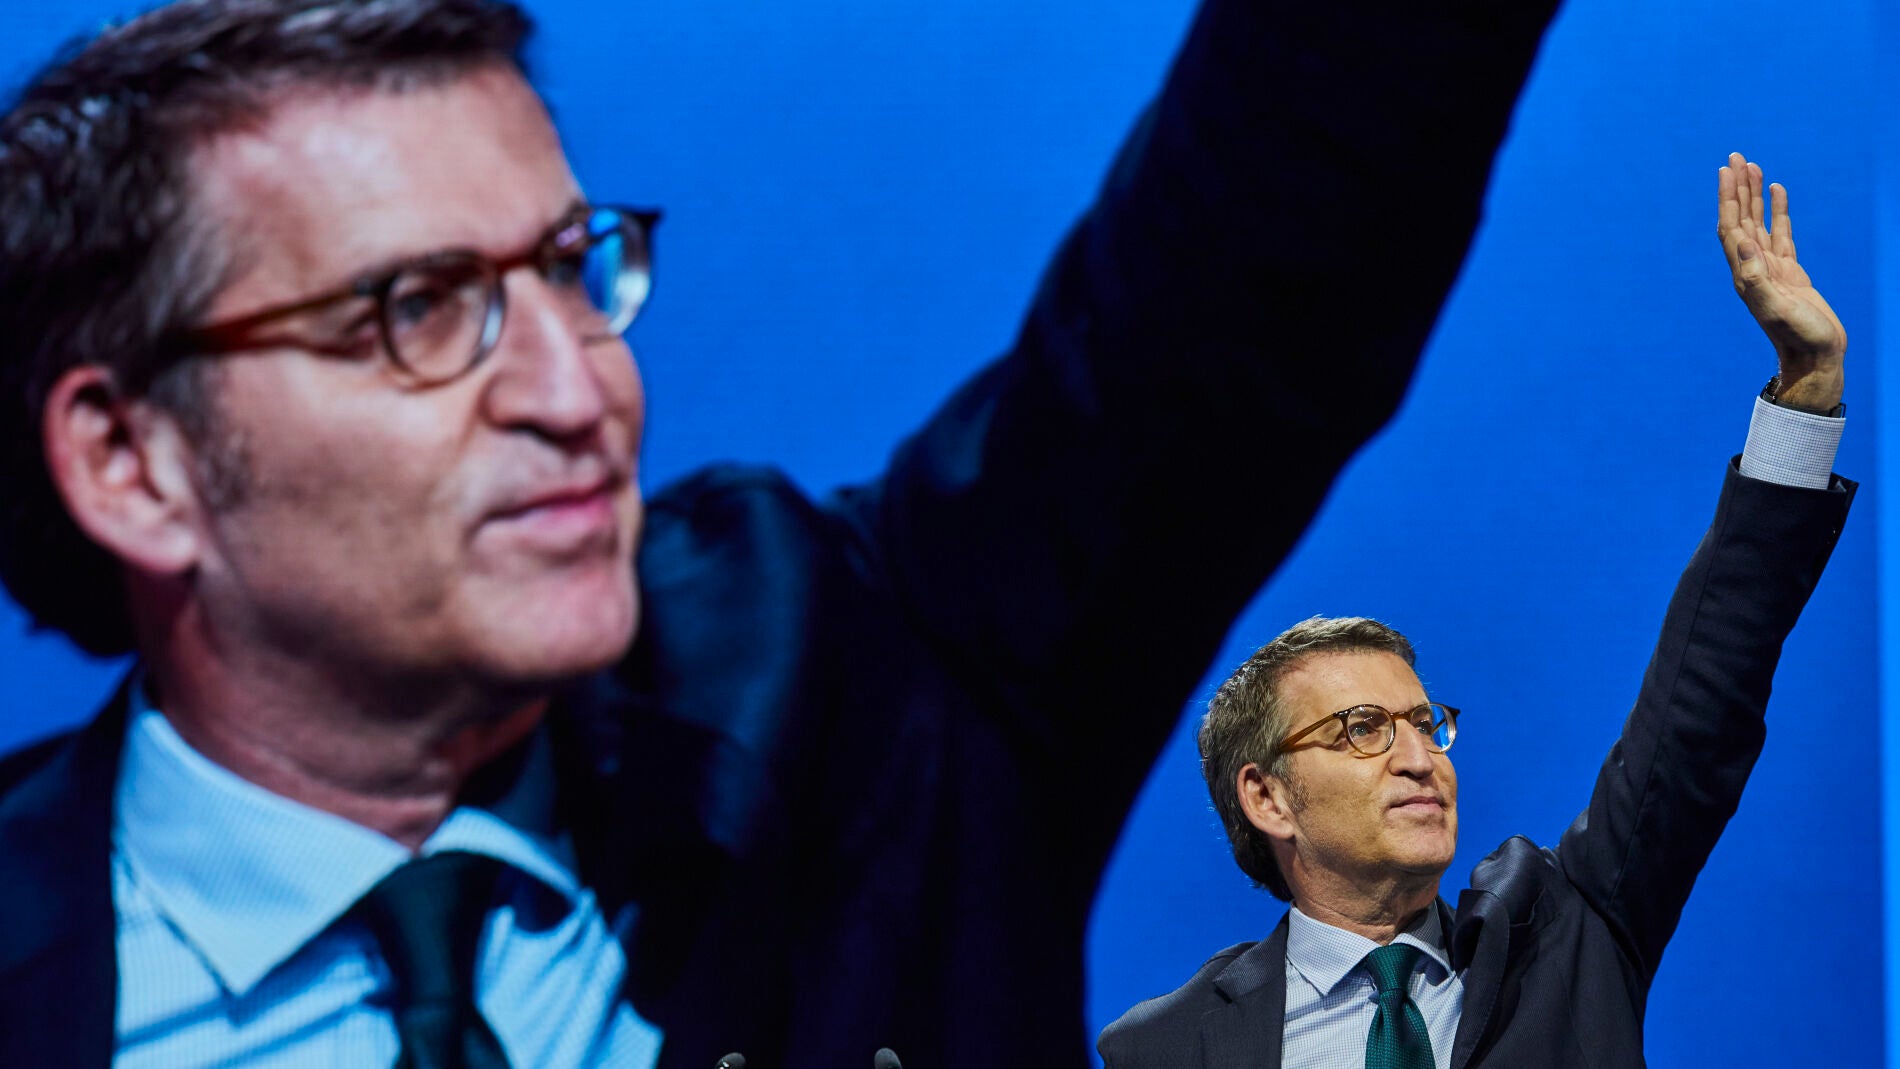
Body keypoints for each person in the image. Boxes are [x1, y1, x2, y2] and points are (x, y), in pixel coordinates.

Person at [0, 0, 1564, 1066]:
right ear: (130, 462)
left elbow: (1256, 268)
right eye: (418, 310)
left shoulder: (859, 679)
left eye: (570, 267)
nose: (581, 387)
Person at [1097, 155, 1854, 1068]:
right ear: (1267, 796)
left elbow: (1702, 701)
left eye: (1427, 724)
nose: (1421, 758)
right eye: (1364, 728)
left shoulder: (1566, 937)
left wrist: (1808, 384)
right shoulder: (1165, 1048)